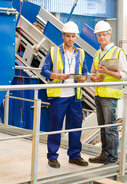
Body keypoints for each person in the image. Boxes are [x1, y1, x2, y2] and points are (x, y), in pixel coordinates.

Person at [41, 21, 89, 168]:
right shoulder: (53, 51)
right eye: (68, 36)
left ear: (76, 37)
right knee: (55, 127)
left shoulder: (80, 53)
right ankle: (52, 157)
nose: (70, 39)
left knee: (76, 126)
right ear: (63, 36)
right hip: (59, 97)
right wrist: (55, 75)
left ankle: (74, 156)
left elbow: (85, 71)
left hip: (75, 97)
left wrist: (83, 78)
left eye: (73, 36)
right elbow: (44, 70)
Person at [88, 20, 127, 165]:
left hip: (110, 96)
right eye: (99, 35)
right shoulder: (97, 54)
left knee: (111, 128)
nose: (101, 38)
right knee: (103, 127)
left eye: (104, 35)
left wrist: (107, 72)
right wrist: (95, 78)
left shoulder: (118, 52)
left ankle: (112, 158)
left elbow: (125, 76)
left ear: (110, 34)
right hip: (98, 95)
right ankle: (104, 154)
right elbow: (92, 74)